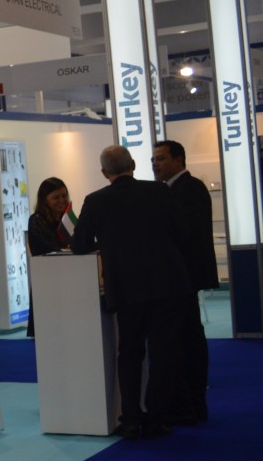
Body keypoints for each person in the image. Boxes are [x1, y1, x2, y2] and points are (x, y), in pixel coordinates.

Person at [70, 145, 193, 438]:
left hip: (126, 287)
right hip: (167, 284)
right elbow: (182, 233)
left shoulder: (95, 201)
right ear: (134, 164)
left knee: (129, 352)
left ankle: (131, 419)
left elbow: (80, 245)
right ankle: (157, 417)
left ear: (104, 173)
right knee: (163, 352)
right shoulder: (160, 191)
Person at [152, 139, 219, 423]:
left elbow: (186, 234)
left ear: (179, 160)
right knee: (185, 336)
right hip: (179, 277)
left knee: (188, 338)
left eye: (161, 158)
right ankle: (189, 401)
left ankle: (192, 401)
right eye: (153, 159)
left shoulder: (189, 189)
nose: (155, 164)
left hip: (185, 276)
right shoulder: (172, 190)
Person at [25, 177, 73, 338]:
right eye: (56, 197)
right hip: (47, 282)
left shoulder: (67, 219)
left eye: (64, 195)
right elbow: (54, 248)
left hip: (67, 281)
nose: (62, 200)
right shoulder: (36, 220)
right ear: (44, 200)